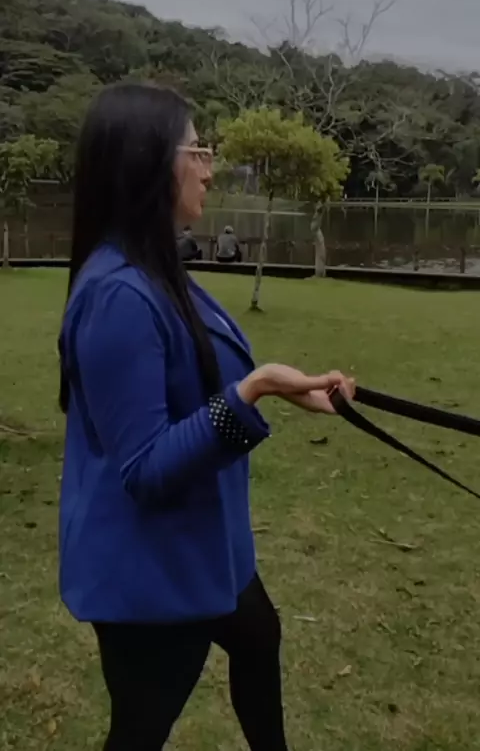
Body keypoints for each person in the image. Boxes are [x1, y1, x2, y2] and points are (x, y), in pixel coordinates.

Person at [57, 82, 355, 751]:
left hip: (205, 546)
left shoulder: (157, 267)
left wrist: (288, 390)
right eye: (196, 151)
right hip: (151, 571)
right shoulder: (118, 295)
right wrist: (254, 391)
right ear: (147, 162)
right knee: (140, 730)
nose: (209, 168)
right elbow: (145, 468)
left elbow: (198, 372)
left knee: (258, 635)